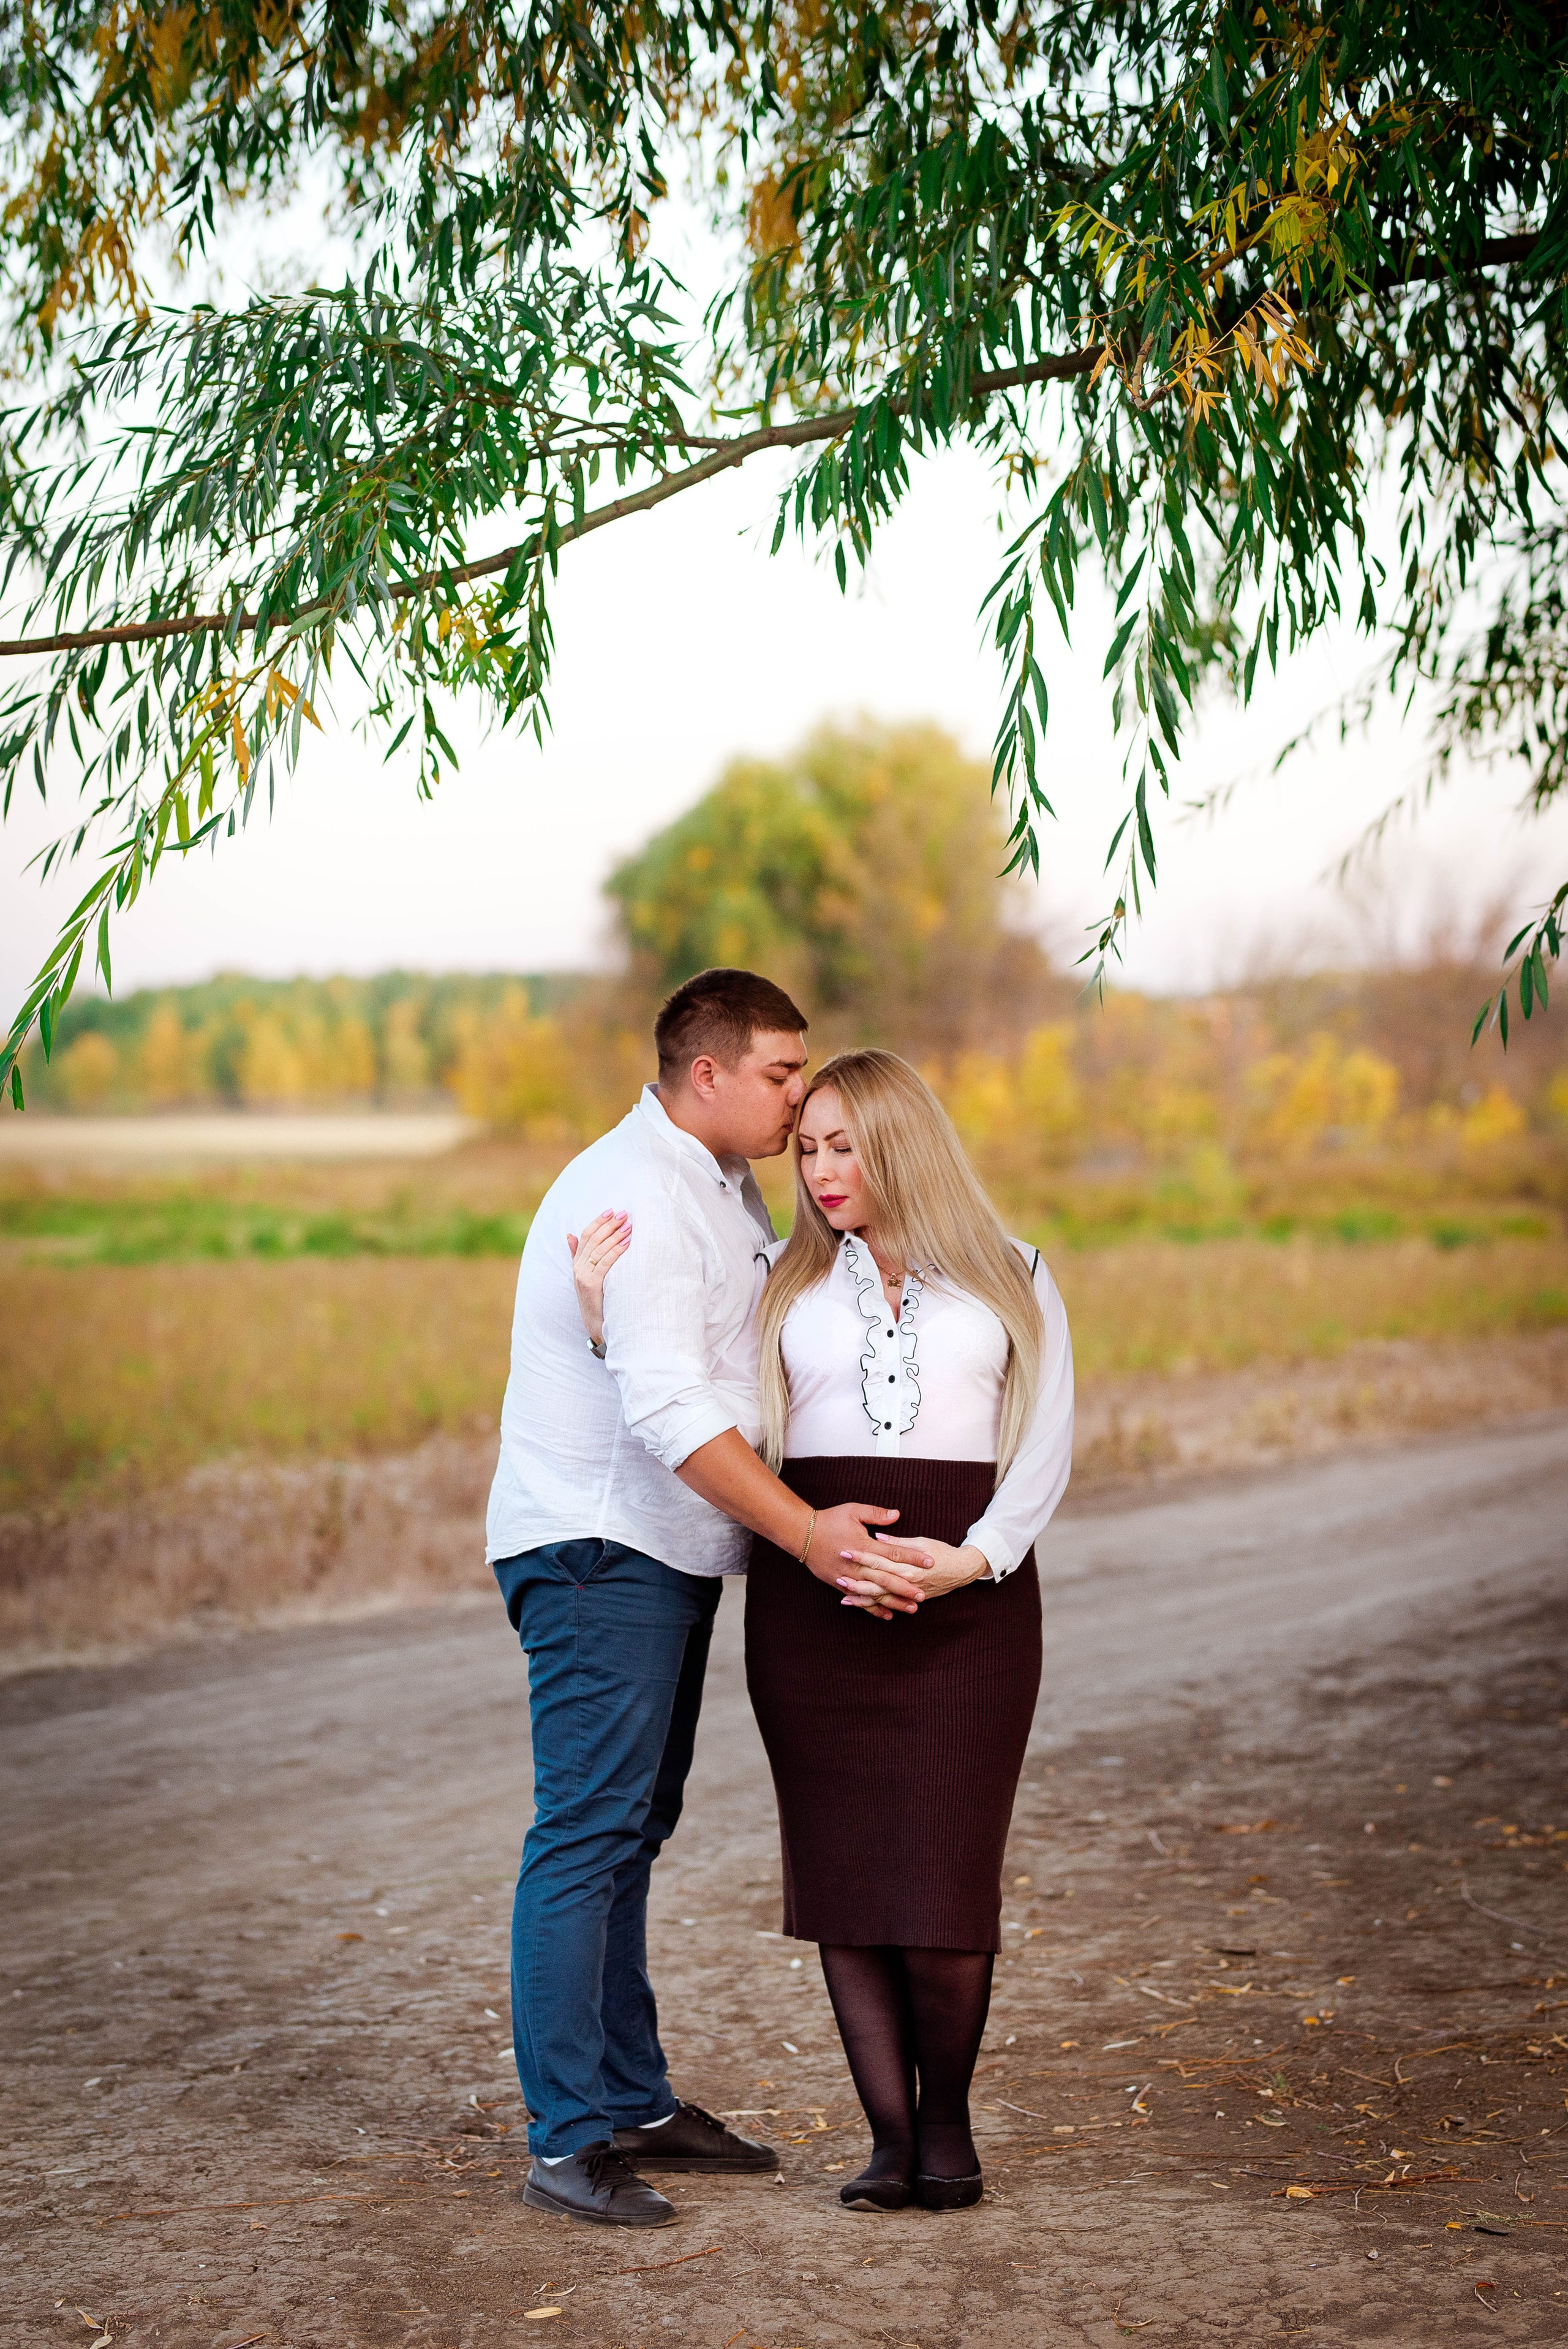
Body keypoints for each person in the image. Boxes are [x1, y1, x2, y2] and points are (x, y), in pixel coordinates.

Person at [570, 1047, 1074, 2214]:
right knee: (846, 1879)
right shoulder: (780, 1285)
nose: (819, 1167)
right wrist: (606, 1324)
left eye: (843, 1143)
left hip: (974, 1599)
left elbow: (1044, 1441)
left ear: (904, 1141)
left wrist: (970, 1561)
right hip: (815, 1606)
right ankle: (889, 2143)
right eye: (806, 1147)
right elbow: (698, 1399)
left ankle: (948, 2133)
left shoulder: (1017, 1273)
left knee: (946, 1879)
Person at [488, 971, 909, 2229]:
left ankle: (630, 2095)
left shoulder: (717, 1186)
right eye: (782, 1074)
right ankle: (568, 2136)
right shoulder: (637, 1196)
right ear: (707, 1072)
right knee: (587, 1831)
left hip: (657, 1551)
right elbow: (671, 1409)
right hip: (597, 1548)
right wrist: (805, 1538)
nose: (799, 1094)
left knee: (630, 1828)